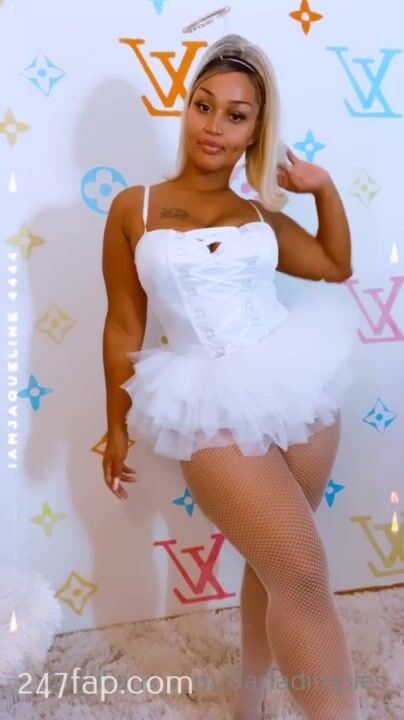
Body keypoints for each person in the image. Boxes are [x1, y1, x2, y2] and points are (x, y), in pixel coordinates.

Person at [102, 33, 362, 720]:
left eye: (236, 114)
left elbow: (335, 265)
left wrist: (323, 188)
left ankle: (251, 698)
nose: (214, 126)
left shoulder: (257, 215)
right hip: (204, 398)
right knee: (301, 571)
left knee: (280, 566)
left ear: (255, 130)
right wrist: (115, 426)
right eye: (203, 105)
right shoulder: (136, 207)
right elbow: (124, 324)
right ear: (186, 109)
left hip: (294, 383)